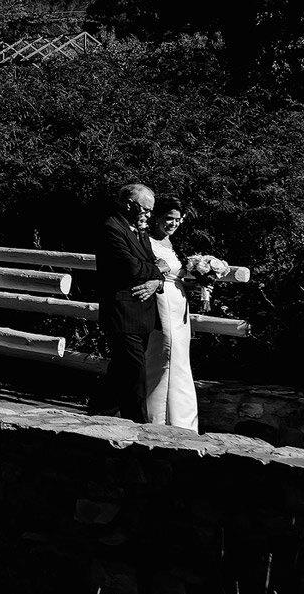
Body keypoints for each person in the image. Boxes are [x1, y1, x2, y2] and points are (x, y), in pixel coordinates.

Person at [92, 183, 169, 422]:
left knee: (122, 369)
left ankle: (98, 411)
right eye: (145, 209)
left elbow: (149, 261)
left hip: (142, 311)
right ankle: (138, 423)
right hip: (122, 310)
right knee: (135, 371)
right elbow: (130, 267)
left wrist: (156, 278)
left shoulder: (139, 229)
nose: (148, 215)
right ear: (128, 204)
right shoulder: (110, 228)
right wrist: (158, 270)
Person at [144, 196, 199, 431]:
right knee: (164, 352)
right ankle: (157, 417)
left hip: (179, 301)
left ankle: (182, 419)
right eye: (168, 218)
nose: (173, 224)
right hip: (161, 299)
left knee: (179, 358)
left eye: (177, 220)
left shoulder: (174, 244)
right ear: (156, 217)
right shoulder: (146, 241)